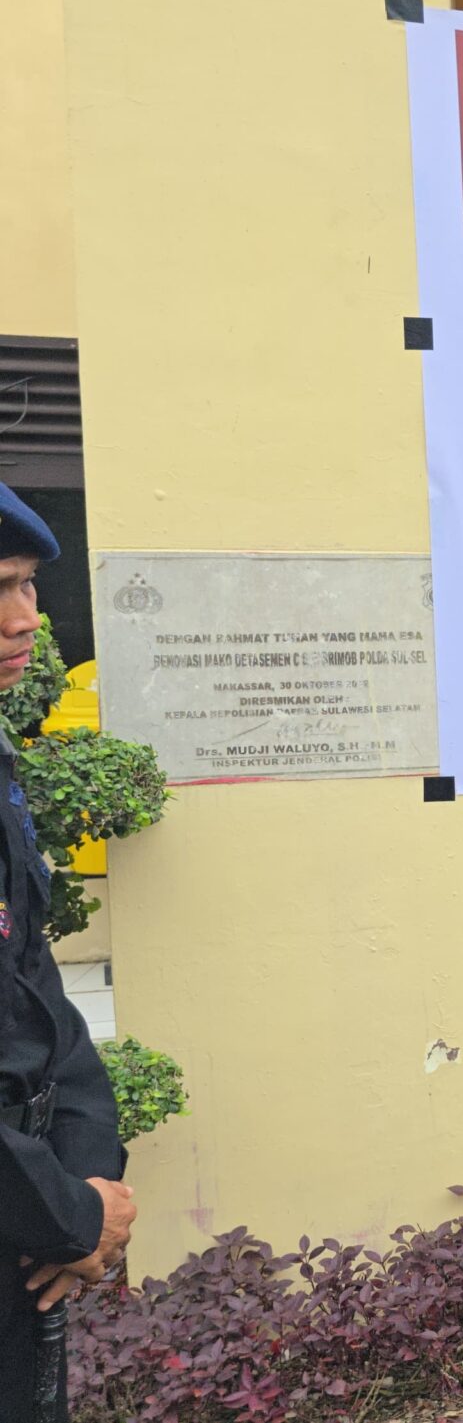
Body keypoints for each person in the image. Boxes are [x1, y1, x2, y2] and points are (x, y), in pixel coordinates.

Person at [0, 488, 133, 1423]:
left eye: (27, 586)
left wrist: (88, 1180)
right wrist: (69, 1215)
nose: (24, 621)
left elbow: (34, 987)